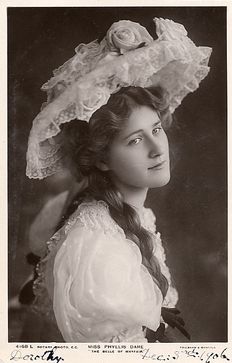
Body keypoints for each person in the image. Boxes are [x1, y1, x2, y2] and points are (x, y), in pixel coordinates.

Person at [24, 17, 212, 342]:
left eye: (156, 130)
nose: (157, 149)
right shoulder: (97, 244)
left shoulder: (125, 218)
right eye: (135, 140)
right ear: (99, 158)